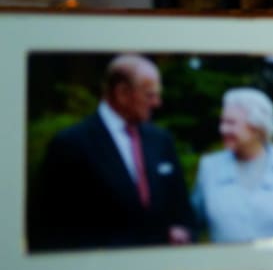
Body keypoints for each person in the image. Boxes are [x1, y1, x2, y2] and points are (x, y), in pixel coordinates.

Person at [28, 54, 194, 251]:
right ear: (122, 93)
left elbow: (182, 209)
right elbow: (47, 226)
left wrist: (182, 230)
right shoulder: (71, 144)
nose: (157, 103)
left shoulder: (161, 140)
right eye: (150, 95)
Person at [191, 87, 273, 242]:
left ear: (257, 129)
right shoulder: (209, 168)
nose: (223, 129)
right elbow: (191, 224)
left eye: (231, 123)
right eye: (222, 122)